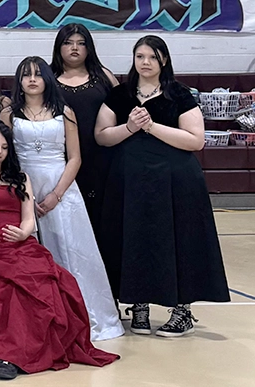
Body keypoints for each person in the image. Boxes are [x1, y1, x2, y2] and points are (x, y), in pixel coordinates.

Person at [0, 123, 118, 380]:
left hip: (18, 244)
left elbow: (29, 219)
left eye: (4, 147)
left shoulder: (20, 177)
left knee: (29, 283)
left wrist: (24, 233)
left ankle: (12, 355)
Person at [95, 36, 229, 337]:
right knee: (133, 238)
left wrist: (151, 126)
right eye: (139, 56)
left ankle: (182, 310)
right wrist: (129, 127)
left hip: (175, 181)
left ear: (163, 61)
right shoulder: (120, 94)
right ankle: (138, 305)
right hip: (130, 182)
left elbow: (195, 140)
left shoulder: (179, 94)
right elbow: (101, 136)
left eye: (152, 57)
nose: (145, 62)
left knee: (179, 239)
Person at [7, 57, 124, 342]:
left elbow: (75, 158)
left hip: (61, 189)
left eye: (38, 74)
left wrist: (56, 195)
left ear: (47, 78)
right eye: (26, 75)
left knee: (72, 253)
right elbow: (6, 157)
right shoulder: (9, 114)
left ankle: (85, 319)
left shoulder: (65, 112)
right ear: (19, 81)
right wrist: (24, 195)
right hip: (24, 190)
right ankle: (42, 321)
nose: (32, 79)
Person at [52, 24, 118, 236]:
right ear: (58, 47)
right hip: (59, 159)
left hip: (100, 157)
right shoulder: (48, 79)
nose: (75, 48)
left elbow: (122, 112)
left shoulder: (104, 76)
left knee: (99, 217)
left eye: (81, 43)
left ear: (89, 48)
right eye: (68, 43)